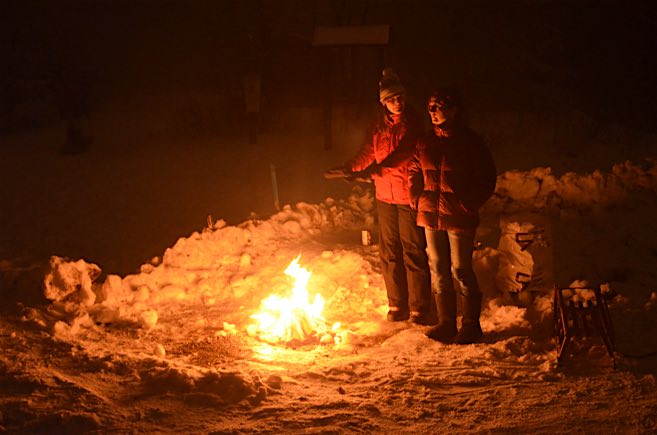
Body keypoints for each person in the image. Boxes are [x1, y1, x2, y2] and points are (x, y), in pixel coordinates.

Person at [324, 68, 433, 324]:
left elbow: (402, 156)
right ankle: (397, 304)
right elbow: (368, 152)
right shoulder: (379, 126)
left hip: (407, 196)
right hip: (385, 196)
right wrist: (350, 167)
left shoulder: (414, 123)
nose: (398, 101)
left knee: (413, 250)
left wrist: (374, 172)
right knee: (389, 251)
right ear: (383, 101)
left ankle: (419, 307)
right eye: (392, 98)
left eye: (400, 97)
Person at [408, 88, 497, 344]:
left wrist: (467, 204)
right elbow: (413, 171)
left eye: (439, 107)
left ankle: (470, 325)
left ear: (455, 110)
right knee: (438, 268)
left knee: (461, 269)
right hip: (430, 215)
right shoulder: (425, 141)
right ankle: (446, 322)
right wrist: (416, 198)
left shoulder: (470, 141)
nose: (433, 112)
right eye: (430, 107)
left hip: (459, 216)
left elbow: (486, 177)